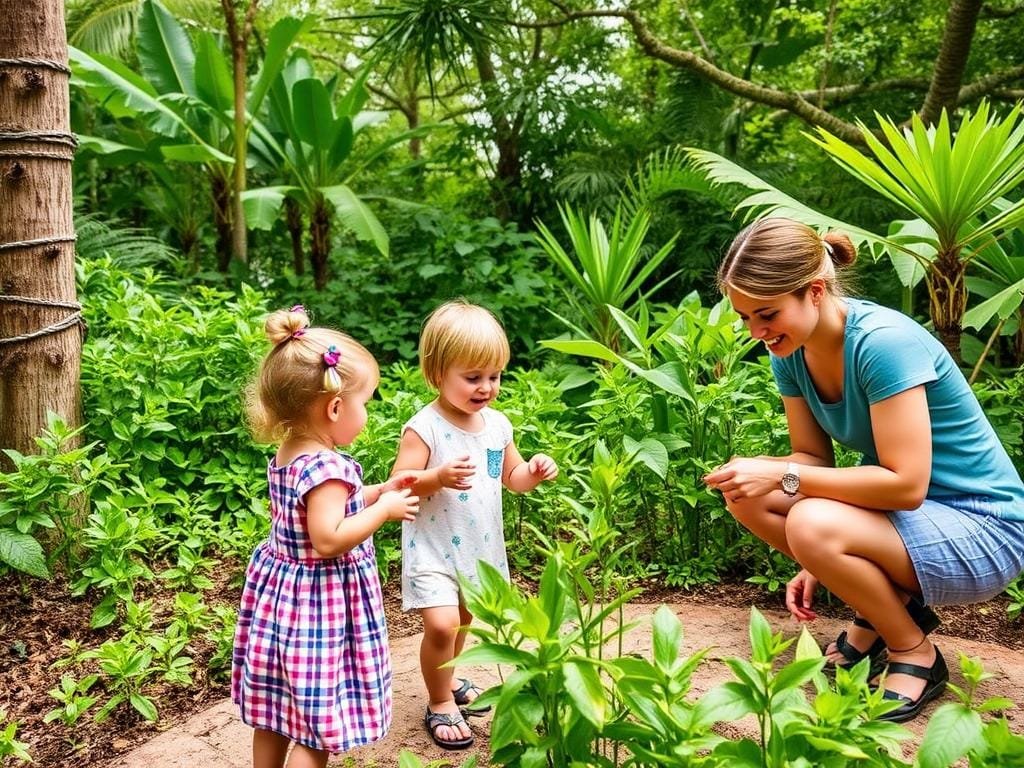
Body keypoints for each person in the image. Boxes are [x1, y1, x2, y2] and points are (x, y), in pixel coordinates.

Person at [703, 218, 1024, 723]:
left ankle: (913, 649)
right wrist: (768, 485)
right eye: (745, 318)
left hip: (985, 528)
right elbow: (811, 459)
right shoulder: (790, 351)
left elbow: (905, 485)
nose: (756, 332)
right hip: (913, 523)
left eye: (766, 314)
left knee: (808, 519)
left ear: (813, 291)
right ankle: (882, 609)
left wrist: (805, 515)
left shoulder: (882, 343)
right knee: (745, 491)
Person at [232, 306, 420, 768]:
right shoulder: (328, 468)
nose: (367, 413)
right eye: (367, 402)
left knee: (275, 715)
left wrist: (377, 490)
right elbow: (329, 538)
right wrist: (383, 510)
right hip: (320, 606)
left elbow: (317, 511)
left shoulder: (291, 451)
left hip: (281, 599)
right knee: (318, 725)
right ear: (335, 407)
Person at [391, 299, 559, 749]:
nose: (486, 387)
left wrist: (535, 472)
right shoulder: (423, 428)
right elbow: (399, 487)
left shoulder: (497, 426)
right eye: (472, 377)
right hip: (433, 548)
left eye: (494, 376)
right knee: (442, 625)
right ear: (436, 373)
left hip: (478, 551)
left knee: (465, 623)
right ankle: (439, 701)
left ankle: (448, 679)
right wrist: (436, 477)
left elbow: (512, 477)